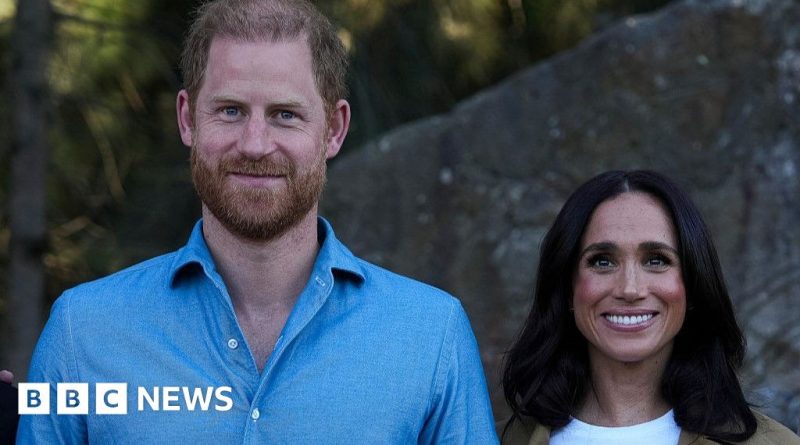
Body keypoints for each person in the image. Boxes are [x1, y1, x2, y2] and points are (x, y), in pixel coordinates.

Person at [17, 0, 497, 443]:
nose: (254, 144)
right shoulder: (83, 333)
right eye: (230, 110)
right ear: (187, 120)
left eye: (285, 115)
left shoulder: (431, 336)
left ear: (334, 129)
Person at [501, 170, 800, 445]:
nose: (630, 289)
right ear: (567, 289)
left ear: (694, 286)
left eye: (656, 260)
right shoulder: (495, 438)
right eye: (602, 261)